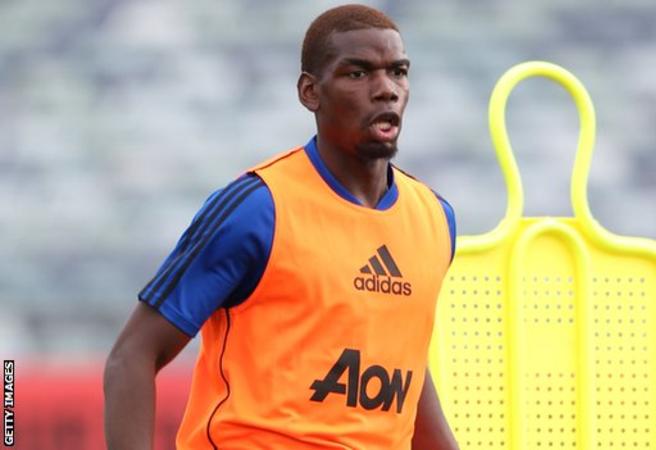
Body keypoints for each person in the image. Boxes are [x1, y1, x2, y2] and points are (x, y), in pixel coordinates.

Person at [104, 4, 460, 449]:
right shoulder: (257, 208)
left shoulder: (435, 219)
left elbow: (404, 367)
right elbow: (131, 357)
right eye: (358, 73)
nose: (386, 89)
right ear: (311, 92)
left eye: (398, 72)